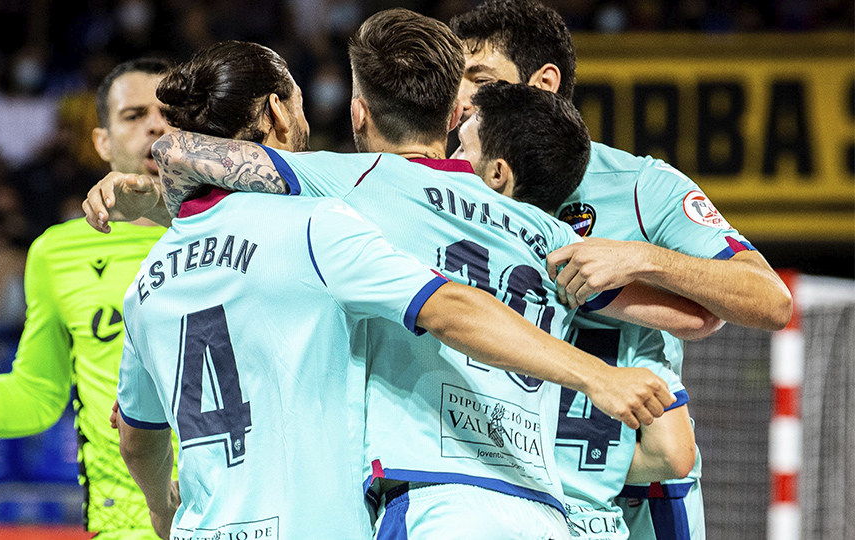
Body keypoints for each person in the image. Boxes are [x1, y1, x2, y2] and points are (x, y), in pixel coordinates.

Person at [87, 13, 717, 539]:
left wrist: (161, 163)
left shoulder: (345, 196)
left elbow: (138, 434)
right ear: (453, 113)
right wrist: (639, 262)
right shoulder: (549, 231)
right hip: (549, 508)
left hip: (428, 502)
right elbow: (691, 323)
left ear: (359, 115)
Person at [448, 2, 792, 538]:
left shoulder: (640, 186)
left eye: (481, 79)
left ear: (544, 83)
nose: (464, 97)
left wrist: (642, 257)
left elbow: (770, 301)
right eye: (457, 81)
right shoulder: (451, 183)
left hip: (631, 498)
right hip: (493, 487)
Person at [0, 58, 177, 540]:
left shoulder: (236, 226)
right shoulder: (58, 251)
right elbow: (38, 395)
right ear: (102, 142)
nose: (155, 124)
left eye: (171, 113)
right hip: (125, 525)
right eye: (133, 115)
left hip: (237, 512)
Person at [453, 81, 698, 539]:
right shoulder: (599, 278)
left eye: (461, 147)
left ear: (497, 173)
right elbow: (673, 453)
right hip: (594, 521)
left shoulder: (455, 252)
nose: (450, 161)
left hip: (484, 506)